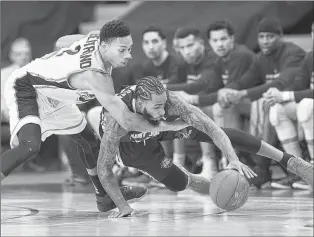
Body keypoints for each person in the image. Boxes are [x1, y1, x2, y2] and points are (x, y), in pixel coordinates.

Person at [1, 20, 187, 211]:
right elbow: (126, 120)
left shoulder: (98, 37)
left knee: (89, 142)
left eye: (130, 49)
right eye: (122, 50)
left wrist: (65, 58)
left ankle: (104, 197)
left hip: (55, 94)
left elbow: (61, 42)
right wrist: (171, 125)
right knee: (29, 146)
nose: (128, 55)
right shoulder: (97, 76)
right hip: (27, 86)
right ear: (104, 46)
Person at [96, 76, 313, 218]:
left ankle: (293, 163)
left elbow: (213, 130)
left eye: (164, 104)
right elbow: (103, 169)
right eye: (157, 106)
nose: (163, 110)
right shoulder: (115, 121)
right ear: (140, 104)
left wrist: (233, 158)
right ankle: (201, 182)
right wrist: (123, 207)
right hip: (132, 145)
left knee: (220, 131)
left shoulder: (171, 103)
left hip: (161, 127)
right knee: (177, 183)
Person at [162, 27, 220, 180]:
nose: (186, 51)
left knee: (193, 108)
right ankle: (178, 163)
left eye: (190, 46)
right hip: (197, 107)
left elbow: (198, 86)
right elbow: (175, 84)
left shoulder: (213, 58)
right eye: (182, 47)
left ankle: (210, 162)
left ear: (201, 43)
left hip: (216, 105)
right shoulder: (182, 62)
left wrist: (160, 87)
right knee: (175, 106)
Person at [263, 22, 314, 189]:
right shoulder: (311, 56)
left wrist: (284, 95)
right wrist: (276, 95)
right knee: (277, 110)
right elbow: (298, 86)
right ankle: (299, 171)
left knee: (306, 105)